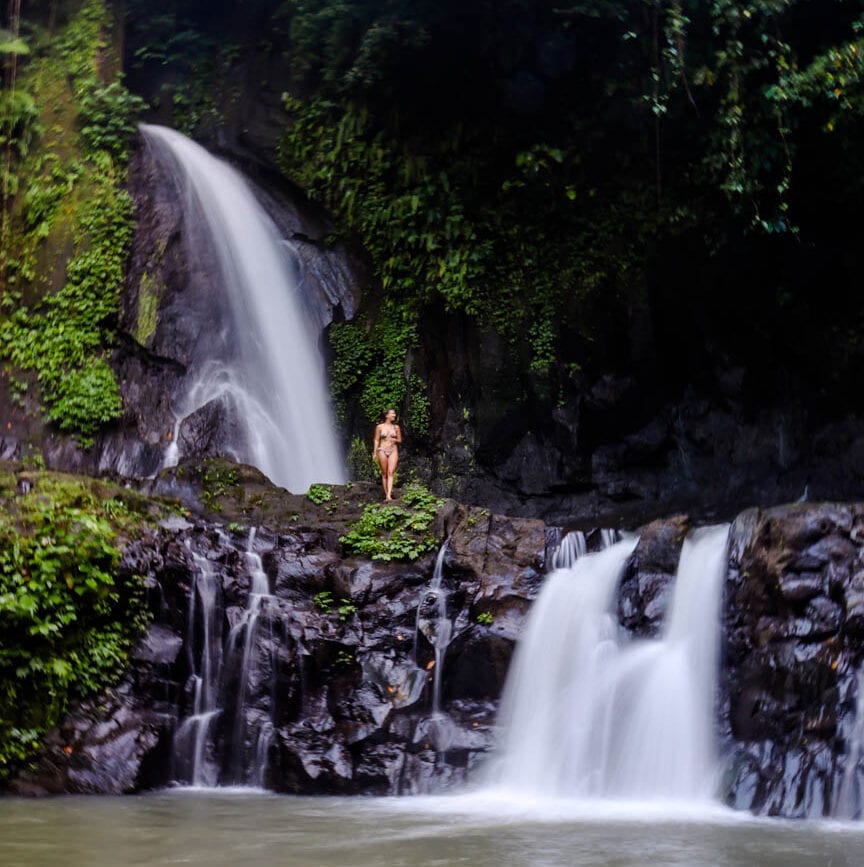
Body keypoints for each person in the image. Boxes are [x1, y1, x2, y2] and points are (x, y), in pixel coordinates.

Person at [372, 408, 402, 501]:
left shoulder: (396, 427)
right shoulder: (380, 427)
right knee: (384, 473)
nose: (394, 415)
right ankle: (386, 494)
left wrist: (394, 440)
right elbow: (376, 439)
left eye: (394, 413)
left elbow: (400, 440)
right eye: (392, 413)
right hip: (382, 449)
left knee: (391, 472)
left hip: (393, 449)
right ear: (386, 415)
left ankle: (389, 495)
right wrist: (375, 452)